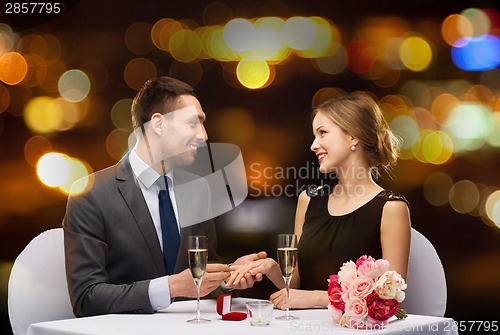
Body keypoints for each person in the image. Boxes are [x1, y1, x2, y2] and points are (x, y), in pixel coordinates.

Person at [63, 76, 264, 317]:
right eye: (193, 123)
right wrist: (169, 287)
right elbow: (86, 298)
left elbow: (198, 279)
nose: (204, 136)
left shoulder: (199, 189)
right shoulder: (91, 194)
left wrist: (227, 278)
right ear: (158, 124)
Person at [228, 91, 411, 310]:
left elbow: (389, 296)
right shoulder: (308, 199)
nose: (314, 145)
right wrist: (270, 268)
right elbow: (295, 283)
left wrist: (317, 298)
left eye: (323, 133)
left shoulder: (391, 208)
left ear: (354, 136)